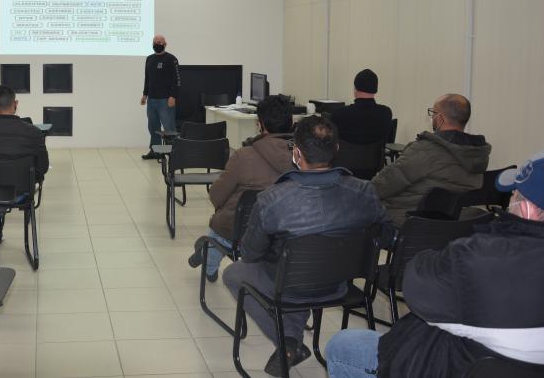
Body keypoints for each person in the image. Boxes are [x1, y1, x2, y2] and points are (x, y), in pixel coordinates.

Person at [325, 151, 544, 377]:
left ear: (527, 211)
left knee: (343, 346)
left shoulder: (483, 259)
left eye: (514, 197)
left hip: (455, 365)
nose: (509, 205)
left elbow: (417, 288)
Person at [222, 115, 391, 376]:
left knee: (235, 272)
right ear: (336, 149)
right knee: (297, 271)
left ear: (296, 153)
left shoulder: (272, 199)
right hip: (341, 284)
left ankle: (289, 341)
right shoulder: (365, 192)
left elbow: (250, 253)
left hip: (289, 286)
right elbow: (387, 232)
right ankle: (291, 339)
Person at [188, 95, 294, 281]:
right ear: (291, 122)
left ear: (260, 124)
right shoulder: (304, 157)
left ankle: (208, 261)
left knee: (224, 223)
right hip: (286, 231)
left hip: (243, 231)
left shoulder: (244, 156)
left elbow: (216, 195)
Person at [371, 93, 490, 225]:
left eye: (433, 113)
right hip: (449, 224)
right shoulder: (476, 155)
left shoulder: (425, 150)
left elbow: (383, 185)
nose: (432, 116)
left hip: (406, 219)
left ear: (440, 118)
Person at [140, 34, 180, 160]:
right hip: (151, 100)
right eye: (155, 42)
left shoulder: (171, 59)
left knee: (169, 128)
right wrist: (144, 95)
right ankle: (155, 151)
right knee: (153, 127)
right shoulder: (149, 59)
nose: (157, 43)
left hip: (166, 100)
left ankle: (174, 154)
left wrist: (173, 96)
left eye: (160, 42)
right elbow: (148, 79)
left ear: (165, 44)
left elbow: (177, 79)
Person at [330, 69, 393, 145]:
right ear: (375, 89)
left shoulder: (339, 114)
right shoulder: (386, 113)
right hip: (374, 157)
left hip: (345, 156)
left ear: (355, 88)